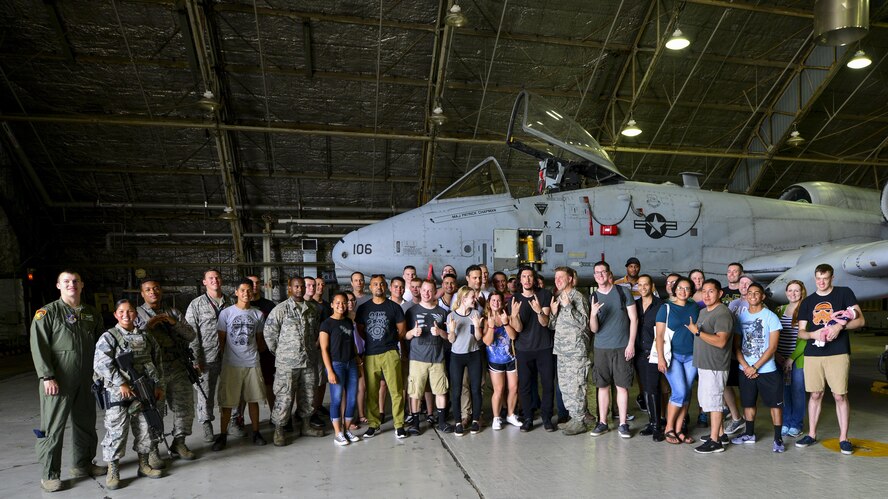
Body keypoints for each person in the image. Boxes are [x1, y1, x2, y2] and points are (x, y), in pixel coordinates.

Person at [30, 270, 107, 492]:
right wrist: (47, 376)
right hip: (58, 379)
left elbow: (102, 345)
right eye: (66, 281)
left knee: (85, 423)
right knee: (54, 428)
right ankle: (50, 474)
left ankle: (83, 464)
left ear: (82, 285)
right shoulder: (47, 313)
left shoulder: (91, 313)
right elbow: (39, 346)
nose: (71, 284)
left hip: (86, 378)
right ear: (58, 286)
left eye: (75, 281)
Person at [94, 299, 165, 488]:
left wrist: (159, 385)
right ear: (116, 314)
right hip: (119, 394)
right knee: (117, 432)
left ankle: (144, 465)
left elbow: (157, 361)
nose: (126, 315)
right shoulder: (109, 337)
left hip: (144, 391)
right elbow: (101, 364)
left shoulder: (147, 336)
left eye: (130, 311)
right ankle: (113, 470)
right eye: (122, 311)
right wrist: (121, 383)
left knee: (145, 428)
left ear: (135, 314)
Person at [795, 264, 864, 455]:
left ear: (832, 278)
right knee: (815, 394)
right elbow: (801, 333)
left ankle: (844, 438)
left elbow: (860, 320)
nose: (821, 282)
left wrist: (840, 327)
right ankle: (811, 434)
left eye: (825, 278)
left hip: (838, 352)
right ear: (814, 278)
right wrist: (813, 335)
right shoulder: (808, 302)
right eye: (818, 278)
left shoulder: (844, 293)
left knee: (839, 395)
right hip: (813, 354)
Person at [135, 279, 197, 463]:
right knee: (153, 412)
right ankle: (153, 449)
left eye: (156, 288)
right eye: (148, 289)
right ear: (142, 293)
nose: (153, 292)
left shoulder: (173, 312)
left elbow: (190, 335)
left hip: (177, 367)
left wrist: (173, 323)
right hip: (153, 372)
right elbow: (132, 341)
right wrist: (148, 326)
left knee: (184, 407)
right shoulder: (137, 314)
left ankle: (179, 442)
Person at [264, 276, 324, 446]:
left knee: (309, 395)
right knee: (284, 396)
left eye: (302, 286)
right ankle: (279, 430)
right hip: (287, 364)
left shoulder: (312, 309)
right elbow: (270, 335)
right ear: (290, 288)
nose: (300, 289)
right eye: (296, 286)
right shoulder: (281, 309)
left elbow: (315, 333)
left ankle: (305, 425)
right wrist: (282, 353)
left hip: (308, 362)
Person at [212, 279, 268, 451]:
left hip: (252, 363)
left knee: (253, 399)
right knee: (228, 402)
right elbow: (221, 340)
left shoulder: (258, 314)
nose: (246, 293)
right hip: (231, 364)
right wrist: (226, 359)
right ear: (236, 292)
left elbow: (259, 341)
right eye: (242, 290)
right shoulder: (226, 313)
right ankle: (222, 435)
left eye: (249, 290)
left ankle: (256, 432)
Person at [731, 283, 786, 452]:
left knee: (775, 405)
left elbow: (773, 347)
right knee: (748, 403)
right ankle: (749, 433)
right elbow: (737, 346)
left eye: (757, 293)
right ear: (745, 296)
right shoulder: (741, 318)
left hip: (767, 370)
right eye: (750, 293)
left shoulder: (771, 317)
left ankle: (778, 438)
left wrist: (755, 367)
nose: (753, 295)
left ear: (762, 297)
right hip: (746, 370)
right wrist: (746, 366)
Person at [355, 275, 408, 439]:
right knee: (372, 391)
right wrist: (374, 342)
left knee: (396, 390)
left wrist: (389, 342)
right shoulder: (363, 308)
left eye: (382, 284)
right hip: (370, 354)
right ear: (370, 288)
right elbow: (361, 330)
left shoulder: (394, 307)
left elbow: (402, 330)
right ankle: (373, 424)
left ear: (386, 287)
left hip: (390, 353)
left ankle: (399, 425)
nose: (379, 287)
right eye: (375, 284)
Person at [588, 261, 638, 438]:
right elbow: (594, 329)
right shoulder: (593, 297)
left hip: (621, 347)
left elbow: (634, 319)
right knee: (602, 386)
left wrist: (631, 343)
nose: (600, 275)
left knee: (622, 386)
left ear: (609, 274)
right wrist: (593, 314)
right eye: (597, 272)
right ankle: (602, 422)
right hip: (601, 348)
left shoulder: (622, 292)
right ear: (594, 276)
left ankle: (623, 424)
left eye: (603, 272)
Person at [185, 269, 232, 443]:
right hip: (206, 357)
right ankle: (206, 424)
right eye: (210, 278)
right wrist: (195, 359)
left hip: (229, 356)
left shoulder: (231, 302)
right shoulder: (196, 305)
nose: (215, 280)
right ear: (204, 282)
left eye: (217, 277)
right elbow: (191, 334)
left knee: (230, 390)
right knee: (206, 393)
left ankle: (233, 421)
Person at [688, 279, 735, 454]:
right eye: (704, 291)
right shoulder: (703, 312)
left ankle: (716, 442)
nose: (707, 295)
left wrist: (698, 332)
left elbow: (721, 341)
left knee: (715, 403)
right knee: (708, 401)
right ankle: (720, 434)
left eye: (711, 291)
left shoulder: (722, 313)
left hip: (715, 365)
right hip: (704, 364)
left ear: (720, 294)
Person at [655, 276, 699, 445]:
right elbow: (659, 336)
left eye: (687, 288)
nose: (683, 291)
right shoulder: (665, 308)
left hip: (692, 356)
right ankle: (669, 428)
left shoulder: (694, 307)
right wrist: (660, 358)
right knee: (679, 391)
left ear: (691, 291)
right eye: (680, 288)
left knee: (686, 392)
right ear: (674, 290)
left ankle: (680, 429)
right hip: (672, 357)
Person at [511, 267, 554, 432]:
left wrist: (538, 311)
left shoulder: (544, 295)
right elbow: (519, 329)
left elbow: (545, 323)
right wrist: (514, 316)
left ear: (534, 279)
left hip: (544, 347)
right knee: (525, 386)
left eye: (530, 276)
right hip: (524, 349)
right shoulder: (514, 299)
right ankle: (528, 418)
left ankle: (547, 417)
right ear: (520, 280)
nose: (527, 279)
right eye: (524, 276)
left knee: (548, 384)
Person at [549, 267, 591, 436]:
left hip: (576, 350)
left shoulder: (578, 297)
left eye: (561, 277)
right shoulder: (558, 298)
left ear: (570, 279)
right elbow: (553, 326)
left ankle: (580, 420)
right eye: (556, 277)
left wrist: (568, 307)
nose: (557, 280)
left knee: (577, 386)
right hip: (561, 350)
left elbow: (584, 324)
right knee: (565, 387)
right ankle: (573, 418)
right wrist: (553, 313)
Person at [404, 280, 450, 434]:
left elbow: (449, 336)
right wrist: (412, 333)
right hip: (417, 359)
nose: (426, 293)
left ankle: (442, 422)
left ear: (434, 292)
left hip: (437, 358)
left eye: (430, 290)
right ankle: (415, 424)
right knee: (415, 392)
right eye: (424, 290)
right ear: (420, 291)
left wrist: (441, 333)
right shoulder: (411, 311)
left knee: (440, 391)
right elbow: (405, 335)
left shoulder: (442, 313)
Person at [320, 292, 361, 446]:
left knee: (351, 399)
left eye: (344, 302)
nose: (341, 305)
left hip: (351, 364)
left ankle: (347, 429)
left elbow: (353, 345)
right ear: (332, 304)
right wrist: (329, 370)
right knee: (336, 399)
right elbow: (324, 349)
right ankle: (338, 433)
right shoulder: (326, 324)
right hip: (336, 365)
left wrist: (358, 363)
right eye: (337, 302)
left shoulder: (349, 322)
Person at [447, 286, 485, 436]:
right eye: (472, 297)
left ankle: (475, 420)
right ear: (464, 299)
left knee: (476, 389)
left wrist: (476, 326)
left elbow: (478, 338)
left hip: (473, 354)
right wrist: (451, 330)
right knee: (456, 390)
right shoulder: (452, 316)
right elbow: (451, 340)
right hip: (457, 356)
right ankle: (458, 422)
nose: (474, 300)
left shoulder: (475, 314)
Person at [483, 290, 519, 430]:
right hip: (495, 360)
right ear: (489, 303)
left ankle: (510, 414)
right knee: (499, 389)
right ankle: (496, 418)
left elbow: (513, 336)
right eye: (493, 301)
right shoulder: (486, 319)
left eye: (498, 300)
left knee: (513, 388)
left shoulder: (507, 317)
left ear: (502, 302)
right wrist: (491, 326)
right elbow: (487, 341)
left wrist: (505, 323)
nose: (496, 303)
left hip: (510, 358)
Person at [634, 275, 665, 441]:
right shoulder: (635, 305)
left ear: (652, 286)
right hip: (639, 352)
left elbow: (663, 332)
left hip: (653, 353)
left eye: (646, 284)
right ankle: (652, 421)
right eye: (640, 285)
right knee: (646, 388)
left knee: (653, 388)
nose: (643, 287)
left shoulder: (660, 306)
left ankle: (657, 426)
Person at [776, 280, 807, 438]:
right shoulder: (780, 310)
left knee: (798, 390)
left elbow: (804, 340)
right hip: (781, 358)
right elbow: (774, 334)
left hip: (797, 359)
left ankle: (796, 423)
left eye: (797, 290)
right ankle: (786, 422)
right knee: (785, 391)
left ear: (802, 292)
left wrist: (791, 358)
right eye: (790, 290)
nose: (793, 293)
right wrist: (778, 356)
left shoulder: (805, 310)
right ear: (786, 292)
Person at [247, 275, 277, 414]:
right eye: (251, 283)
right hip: (245, 352)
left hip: (265, 351)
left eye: (257, 283)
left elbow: (275, 328)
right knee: (245, 386)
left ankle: (274, 415)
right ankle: (238, 419)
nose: (254, 286)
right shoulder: (240, 305)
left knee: (269, 383)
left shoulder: (269, 305)